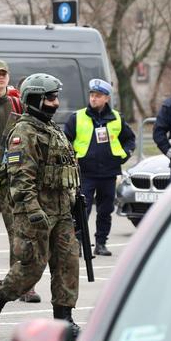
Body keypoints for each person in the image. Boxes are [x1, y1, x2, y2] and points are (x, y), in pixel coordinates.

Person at [0, 73, 81, 341]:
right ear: (35, 99)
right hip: (34, 213)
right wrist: (34, 211)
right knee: (31, 268)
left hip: (61, 211)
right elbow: (20, 178)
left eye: (55, 97)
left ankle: (65, 321)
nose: (55, 103)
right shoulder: (23, 132)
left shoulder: (52, 129)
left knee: (68, 264)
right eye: (50, 98)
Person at [0, 59, 40, 303]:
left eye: (4, 75)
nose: (0, 79)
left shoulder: (17, 102)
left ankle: (22, 285)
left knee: (18, 232)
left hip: (11, 178)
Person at [64, 79, 135, 256]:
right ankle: (79, 243)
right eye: (92, 95)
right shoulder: (78, 117)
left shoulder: (117, 118)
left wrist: (124, 155)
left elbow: (129, 139)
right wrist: (72, 160)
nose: (94, 99)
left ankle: (101, 243)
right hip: (85, 172)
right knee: (82, 209)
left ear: (106, 98)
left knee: (105, 210)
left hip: (109, 172)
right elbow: (65, 140)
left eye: (98, 96)